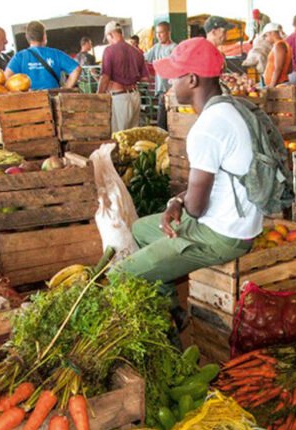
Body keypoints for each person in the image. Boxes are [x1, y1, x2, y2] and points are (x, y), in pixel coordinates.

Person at [110, 37, 261, 319]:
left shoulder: (206, 128)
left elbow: (196, 208)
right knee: (142, 230)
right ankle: (172, 311)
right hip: (237, 222)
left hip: (221, 236)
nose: (170, 85)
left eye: (174, 77)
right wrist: (175, 201)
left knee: (122, 273)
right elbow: (202, 193)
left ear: (192, 80)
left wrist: (178, 204)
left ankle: (167, 337)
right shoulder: (231, 108)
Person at [99, 21, 148, 132]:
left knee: (119, 135)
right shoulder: (137, 52)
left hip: (119, 98)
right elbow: (145, 78)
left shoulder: (109, 51)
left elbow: (105, 77)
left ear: (110, 35)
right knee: (132, 135)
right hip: (135, 96)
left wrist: (98, 96)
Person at [5, 21, 81, 90]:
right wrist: (66, 88)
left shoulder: (19, 57)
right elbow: (76, 69)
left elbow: (6, 78)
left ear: (27, 38)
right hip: (53, 100)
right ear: (44, 36)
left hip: (28, 101)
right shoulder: (56, 54)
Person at [145, 21, 177, 129]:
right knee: (161, 122)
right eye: (157, 33)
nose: (158, 35)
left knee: (172, 121)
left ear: (168, 32)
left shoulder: (174, 48)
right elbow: (144, 58)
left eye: (161, 32)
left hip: (172, 91)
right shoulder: (156, 48)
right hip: (161, 90)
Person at [262, 23, 291, 87]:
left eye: (266, 35)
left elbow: (278, 68)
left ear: (271, 33)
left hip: (279, 85)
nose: (266, 38)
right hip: (278, 84)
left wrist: (272, 85)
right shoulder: (279, 45)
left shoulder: (279, 45)